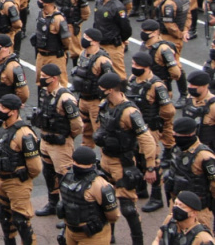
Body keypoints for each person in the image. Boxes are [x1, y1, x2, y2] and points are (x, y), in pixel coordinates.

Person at [95, 72, 158, 245]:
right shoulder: (105, 106)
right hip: (105, 160)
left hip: (122, 164)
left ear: (111, 90)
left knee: (128, 208)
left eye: (102, 89)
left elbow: (147, 140)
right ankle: (110, 236)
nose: (99, 92)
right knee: (106, 203)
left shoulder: (130, 112)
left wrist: (150, 166)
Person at [0, 93, 42, 245]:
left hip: (16, 182)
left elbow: (36, 167)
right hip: (0, 179)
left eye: (3, 107)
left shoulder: (24, 134)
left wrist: (23, 176)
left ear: (13, 111)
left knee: (21, 221)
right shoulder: (2, 126)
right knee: (5, 217)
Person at [33, 63, 84, 217]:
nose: (41, 80)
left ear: (54, 79)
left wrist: (68, 137)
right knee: (49, 174)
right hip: (46, 141)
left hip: (60, 144)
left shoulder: (66, 98)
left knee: (65, 178)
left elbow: (77, 125)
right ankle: (53, 204)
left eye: (44, 77)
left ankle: (69, 210)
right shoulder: (45, 92)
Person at [128, 51, 176, 212]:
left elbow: (168, 110)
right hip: (135, 128)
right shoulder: (133, 80)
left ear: (147, 67)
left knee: (152, 160)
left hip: (150, 128)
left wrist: (158, 122)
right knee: (137, 157)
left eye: (137, 65)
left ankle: (156, 197)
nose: (133, 67)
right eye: (133, 64)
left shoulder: (157, 85)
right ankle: (142, 188)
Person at [57, 145, 120, 245]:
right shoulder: (99, 184)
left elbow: (113, 216)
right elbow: (113, 216)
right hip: (82, 233)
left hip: (81, 233)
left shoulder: (66, 176)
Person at [165, 117, 215, 228]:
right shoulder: (177, 149)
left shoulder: (204, 156)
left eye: (178, 134)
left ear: (189, 135)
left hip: (197, 211)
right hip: (177, 204)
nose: (174, 136)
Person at [72, 28, 116, 149]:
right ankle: (87, 157)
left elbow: (110, 81)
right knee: (85, 131)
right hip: (83, 99)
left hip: (95, 102)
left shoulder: (102, 60)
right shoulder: (83, 53)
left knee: (100, 134)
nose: (83, 40)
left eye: (87, 38)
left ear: (95, 41)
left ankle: (105, 160)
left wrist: (105, 101)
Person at [33, 0, 72, 86]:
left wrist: (63, 51)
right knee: (40, 82)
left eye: (41, 0)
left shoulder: (58, 19)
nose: (39, 1)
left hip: (55, 57)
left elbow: (66, 40)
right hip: (41, 55)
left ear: (46, 3)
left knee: (59, 83)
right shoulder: (41, 14)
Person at [93, 0, 132, 77]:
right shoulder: (100, 3)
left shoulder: (117, 7)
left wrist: (120, 40)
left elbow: (126, 28)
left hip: (112, 46)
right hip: (99, 44)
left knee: (118, 73)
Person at [184, 70, 215, 150]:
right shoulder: (189, 98)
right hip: (189, 146)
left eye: (193, 85)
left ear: (204, 86)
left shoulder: (212, 105)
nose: (190, 87)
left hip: (207, 149)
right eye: (190, 84)